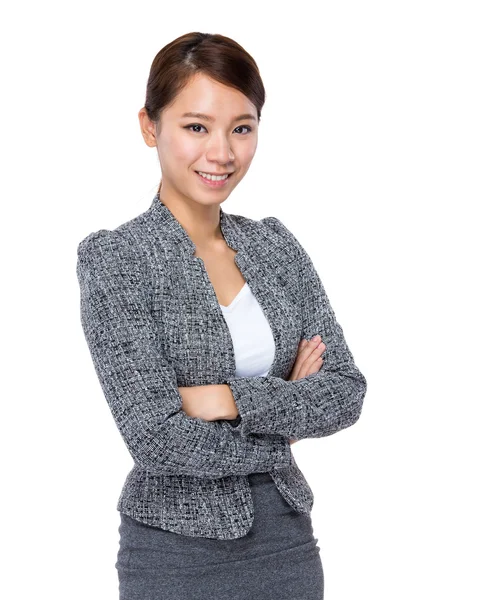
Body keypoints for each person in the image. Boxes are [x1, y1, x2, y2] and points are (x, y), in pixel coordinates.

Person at [76, 31, 367, 600]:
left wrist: (221, 399)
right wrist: (284, 422)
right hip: (174, 551)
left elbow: (345, 392)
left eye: (242, 127)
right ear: (148, 126)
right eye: (196, 127)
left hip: (287, 542)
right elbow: (156, 439)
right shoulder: (117, 259)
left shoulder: (275, 248)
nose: (222, 153)